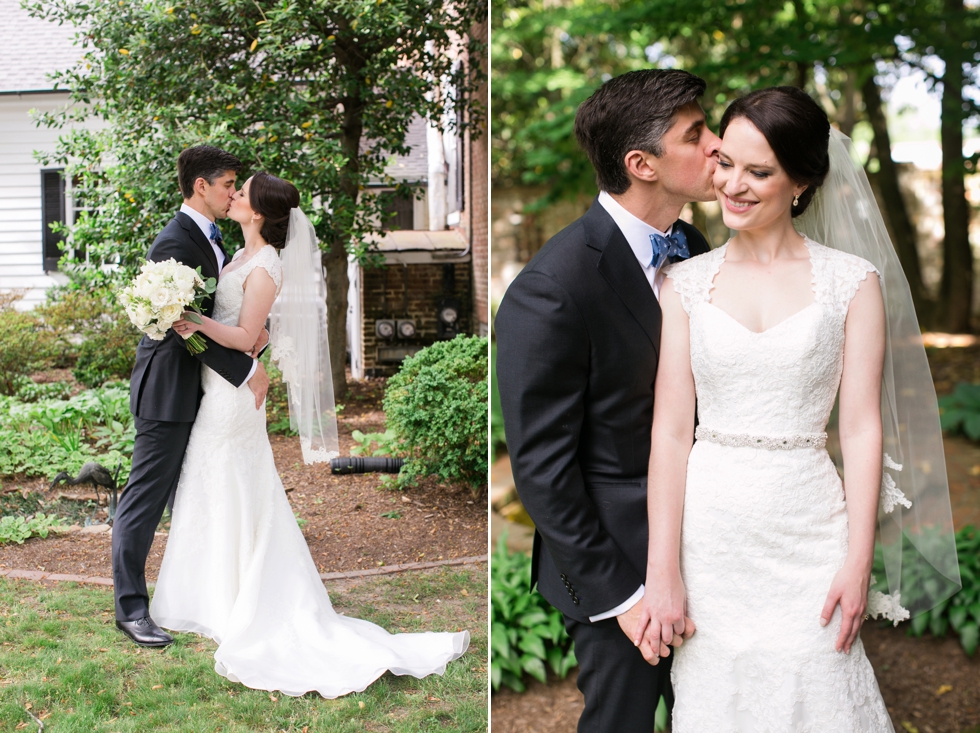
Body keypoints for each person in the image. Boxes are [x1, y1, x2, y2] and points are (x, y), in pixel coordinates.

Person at [639, 86, 959, 731]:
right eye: (726, 162)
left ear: (803, 182)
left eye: (760, 172)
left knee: (821, 689)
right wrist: (662, 570)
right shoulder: (684, 284)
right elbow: (671, 433)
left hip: (810, 527)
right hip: (713, 534)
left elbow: (862, 428)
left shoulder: (851, 282)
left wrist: (857, 556)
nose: (733, 184)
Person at [149, 171, 469, 697]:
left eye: (242, 192)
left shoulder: (266, 264)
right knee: (214, 481)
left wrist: (195, 321)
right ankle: (209, 595)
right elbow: (255, 330)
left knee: (230, 479)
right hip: (220, 384)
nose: (234, 196)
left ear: (258, 211)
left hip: (232, 396)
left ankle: (239, 598)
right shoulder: (238, 255)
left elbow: (245, 335)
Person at [494, 69, 721, 732]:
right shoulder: (554, 286)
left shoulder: (698, 248)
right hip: (615, 567)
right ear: (641, 164)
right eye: (696, 134)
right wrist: (625, 596)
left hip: (710, 544)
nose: (716, 146)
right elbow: (541, 468)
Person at [112, 145, 270, 647]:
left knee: (199, 496)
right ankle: (131, 610)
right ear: (200, 186)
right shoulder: (173, 243)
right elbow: (184, 328)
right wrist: (246, 371)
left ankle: (198, 596)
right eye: (227, 184)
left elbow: (223, 314)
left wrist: (256, 338)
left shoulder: (214, 236)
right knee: (144, 500)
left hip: (203, 391)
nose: (232, 193)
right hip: (168, 390)